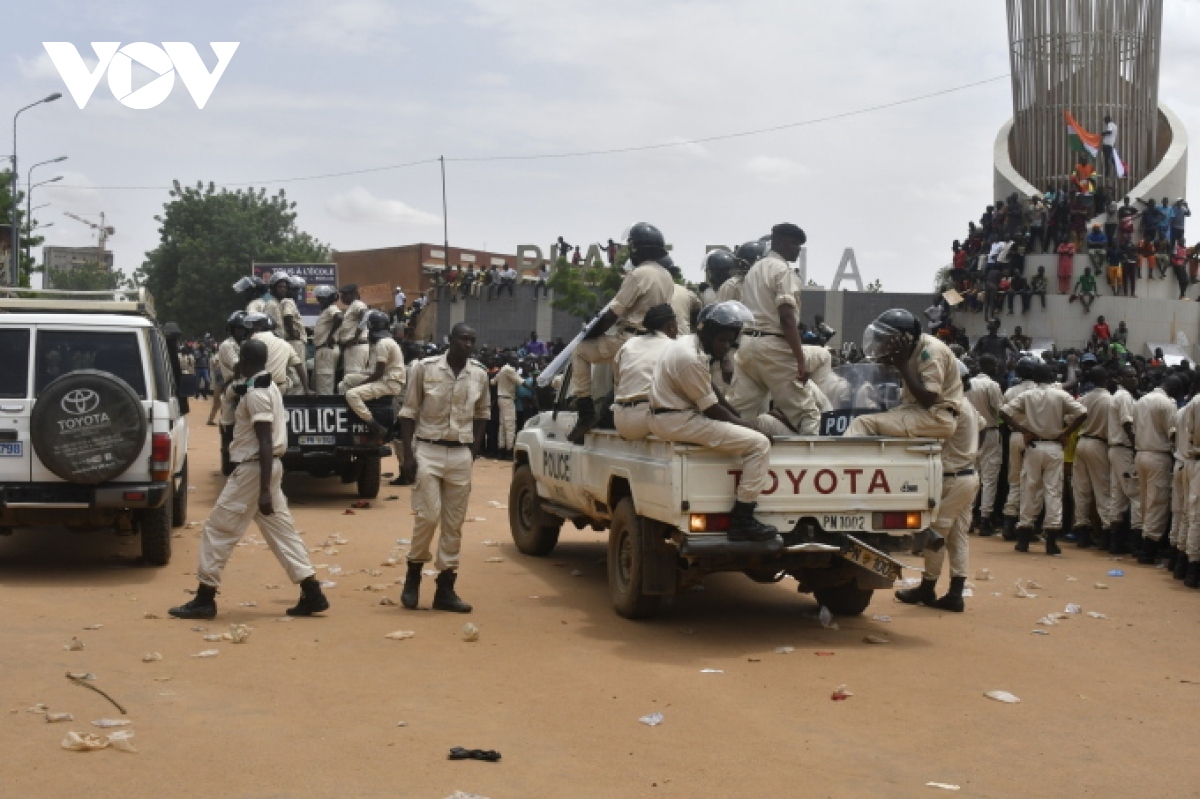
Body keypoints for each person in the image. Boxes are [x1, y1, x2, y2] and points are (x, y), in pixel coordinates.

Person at [168, 338, 329, 620]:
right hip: (266, 470)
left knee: (218, 530)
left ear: (244, 361)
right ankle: (312, 591)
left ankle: (205, 597)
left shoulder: (257, 394)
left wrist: (264, 490)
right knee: (282, 532)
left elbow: (264, 441)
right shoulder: (267, 387)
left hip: (254, 472)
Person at [648, 302, 777, 541]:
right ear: (707, 334)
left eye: (730, 341)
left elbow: (711, 393)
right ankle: (742, 519)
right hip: (676, 419)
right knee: (759, 445)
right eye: (722, 340)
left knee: (750, 434)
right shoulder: (690, 358)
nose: (726, 347)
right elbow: (713, 411)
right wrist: (752, 428)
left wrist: (739, 420)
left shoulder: (691, 346)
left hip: (673, 416)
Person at [397, 323, 490, 613]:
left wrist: (472, 451)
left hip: (461, 454)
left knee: (454, 523)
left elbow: (482, 414)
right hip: (428, 450)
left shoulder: (480, 374)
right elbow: (408, 411)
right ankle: (413, 575)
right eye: (463, 338)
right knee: (427, 515)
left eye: (472, 340)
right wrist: (408, 457)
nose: (468, 344)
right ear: (450, 340)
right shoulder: (424, 369)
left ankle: (446, 588)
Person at [567, 223, 674, 443]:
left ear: (637, 249)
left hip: (630, 338)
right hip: (656, 339)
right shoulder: (666, 276)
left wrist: (590, 333)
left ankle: (585, 412)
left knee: (580, 351)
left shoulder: (638, 274)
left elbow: (613, 313)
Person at [896, 380, 982, 612]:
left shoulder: (950, 408)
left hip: (952, 477)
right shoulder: (969, 406)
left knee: (936, 531)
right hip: (968, 475)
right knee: (958, 536)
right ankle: (955, 593)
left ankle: (928, 586)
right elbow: (981, 427)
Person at [727, 223, 821, 435]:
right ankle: (809, 463)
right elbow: (787, 318)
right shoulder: (783, 271)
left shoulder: (754, 270)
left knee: (738, 413)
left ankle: (722, 464)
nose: (798, 248)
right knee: (807, 413)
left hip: (748, 345)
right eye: (794, 243)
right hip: (773, 346)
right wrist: (800, 359)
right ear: (778, 242)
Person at [1000, 363, 1088, 555]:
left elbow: (1004, 412)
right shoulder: (1060, 395)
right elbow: (1082, 413)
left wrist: (1022, 429)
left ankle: (1024, 536)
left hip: (1032, 446)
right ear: (1051, 377)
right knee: (1053, 491)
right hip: (1054, 447)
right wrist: (1066, 433)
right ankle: (1051, 540)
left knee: (1029, 488)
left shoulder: (1027, 395)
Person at [846, 308, 962, 439]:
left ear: (905, 340)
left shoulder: (931, 352)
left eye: (887, 340)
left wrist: (902, 366)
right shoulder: (913, 349)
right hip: (919, 412)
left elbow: (928, 399)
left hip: (936, 417)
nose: (884, 344)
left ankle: (841, 459)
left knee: (862, 423)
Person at [1132, 374, 1185, 565]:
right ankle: (1148, 551)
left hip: (1140, 454)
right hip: (1158, 456)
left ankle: (1142, 545)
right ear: (1176, 390)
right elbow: (1173, 434)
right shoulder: (1167, 404)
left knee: (1145, 501)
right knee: (1158, 503)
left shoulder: (1141, 401)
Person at [612, 303, 677, 441]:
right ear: (671, 324)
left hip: (619, 420)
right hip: (645, 419)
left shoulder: (629, 343)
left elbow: (617, 381)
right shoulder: (674, 347)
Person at [338, 310, 405, 441]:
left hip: (388, 383)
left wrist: (362, 384)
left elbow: (378, 373)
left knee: (351, 394)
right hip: (387, 380)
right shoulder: (387, 341)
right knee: (347, 379)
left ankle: (374, 426)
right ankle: (351, 411)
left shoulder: (382, 344)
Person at [1071, 366, 1117, 548]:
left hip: (1082, 443)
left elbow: (1071, 417)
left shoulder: (1084, 398)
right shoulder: (1110, 400)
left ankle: (1081, 530)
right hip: (1099, 444)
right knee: (1102, 489)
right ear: (1106, 380)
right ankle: (1106, 532)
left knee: (1081, 489)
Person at [999, 356, 1039, 538]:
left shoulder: (1010, 391)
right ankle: (1028, 526)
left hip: (1015, 436)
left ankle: (1008, 522)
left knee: (1014, 481)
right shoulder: (1041, 392)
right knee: (1033, 483)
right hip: (1035, 438)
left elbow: (1003, 415)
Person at [966, 354, 1004, 535]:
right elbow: (999, 409)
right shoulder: (992, 385)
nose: (997, 368)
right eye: (995, 365)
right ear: (988, 366)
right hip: (989, 432)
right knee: (989, 478)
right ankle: (985, 518)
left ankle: (969, 516)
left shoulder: (968, 383)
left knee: (972, 475)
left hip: (970, 433)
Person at [1108, 366, 1141, 555]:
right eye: (1130, 376)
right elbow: (1127, 422)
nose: (1134, 379)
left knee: (1118, 496)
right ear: (1121, 378)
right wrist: (1137, 446)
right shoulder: (1124, 397)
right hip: (1124, 449)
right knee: (1135, 494)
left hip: (1116, 449)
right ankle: (1136, 543)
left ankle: (1115, 543)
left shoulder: (1120, 396)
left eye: (1135, 376)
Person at [246, 313, 311, 394]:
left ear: (258, 327)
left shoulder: (254, 338)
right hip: (279, 389)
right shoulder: (285, 344)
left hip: (258, 388)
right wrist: (306, 389)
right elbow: (299, 366)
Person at [208, 311, 246, 426]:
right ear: (232, 329)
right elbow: (237, 366)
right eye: (237, 329)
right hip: (231, 384)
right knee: (229, 423)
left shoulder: (244, 343)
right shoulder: (227, 345)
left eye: (243, 328)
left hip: (246, 384)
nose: (241, 331)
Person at [335, 284, 370, 380]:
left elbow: (365, 317)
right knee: (350, 379)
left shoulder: (358, 304)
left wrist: (355, 337)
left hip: (356, 346)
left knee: (353, 379)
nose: (341, 298)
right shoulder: (352, 306)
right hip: (352, 347)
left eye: (344, 295)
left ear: (353, 294)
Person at [311, 285, 341, 395]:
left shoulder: (331, 308)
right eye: (318, 298)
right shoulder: (325, 311)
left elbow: (339, 317)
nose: (319, 301)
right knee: (319, 384)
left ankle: (327, 409)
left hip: (326, 349)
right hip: (323, 350)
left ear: (329, 298)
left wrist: (330, 336)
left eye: (322, 298)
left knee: (324, 387)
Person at [491, 356, 521, 460]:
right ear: (510, 360)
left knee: (502, 426)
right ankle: (509, 451)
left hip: (501, 399)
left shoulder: (502, 370)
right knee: (510, 426)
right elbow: (521, 381)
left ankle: (501, 450)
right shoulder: (509, 369)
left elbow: (493, 382)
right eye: (514, 359)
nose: (516, 361)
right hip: (508, 399)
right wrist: (532, 389)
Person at [264, 272, 290, 338]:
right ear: (273, 288)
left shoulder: (281, 304)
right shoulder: (271, 304)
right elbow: (267, 327)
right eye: (280, 287)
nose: (283, 289)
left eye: (285, 287)